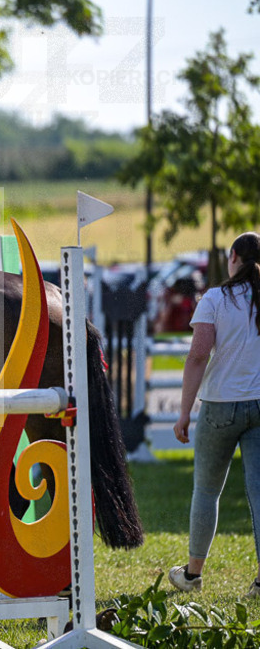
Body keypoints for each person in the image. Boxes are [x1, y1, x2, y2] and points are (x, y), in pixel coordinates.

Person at [169, 232, 260, 596]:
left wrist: (183, 413)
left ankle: (192, 576)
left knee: (207, 491)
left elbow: (197, 356)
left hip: (220, 405)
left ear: (233, 256)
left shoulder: (215, 299)